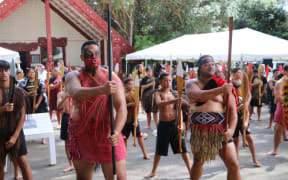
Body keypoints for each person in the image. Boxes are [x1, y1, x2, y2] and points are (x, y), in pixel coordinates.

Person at [65, 40, 127, 180]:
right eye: (89, 54)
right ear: (82, 57)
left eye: (96, 54)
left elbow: (121, 107)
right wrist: (102, 90)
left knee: (119, 177)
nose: (93, 57)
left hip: (108, 132)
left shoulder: (112, 78)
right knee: (83, 177)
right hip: (82, 134)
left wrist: (117, 131)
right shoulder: (73, 76)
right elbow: (75, 92)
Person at [185, 55, 240, 180]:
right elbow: (197, 96)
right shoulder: (191, 83)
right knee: (198, 162)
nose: (210, 66)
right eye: (206, 64)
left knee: (233, 164)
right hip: (201, 130)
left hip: (221, 129)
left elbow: (232, 111)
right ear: (199, 67)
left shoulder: (223, 85)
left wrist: (231, 130)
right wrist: (221, 90)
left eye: (213, 64)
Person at [144, 72, 191, 178]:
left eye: (169, 80)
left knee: (183, 149)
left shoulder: (174, 93)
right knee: (159, 150)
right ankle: (153, 171)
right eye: (165, 80)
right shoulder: (157, 93)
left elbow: (179, 110)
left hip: (175, 124)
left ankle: (191, 170)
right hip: (163, 125)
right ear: (160, 81)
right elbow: (159, 104)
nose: (168, 82)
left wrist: (181, 124)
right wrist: (175, 100)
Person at [0, 60, 32, 180]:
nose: (3, 73)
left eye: (6, 70)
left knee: (23, 162)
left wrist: (14, 137)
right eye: (0, 71)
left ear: (9, 71)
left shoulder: (18, 91)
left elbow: (22, 116)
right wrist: (2, 109)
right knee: (0, 165)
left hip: (16, 134)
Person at [232, 68, 261, 167]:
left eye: (241, 72)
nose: (240, 74)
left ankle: (255, 159)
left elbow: (249, 96)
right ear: (233, 74)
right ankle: (236, 161)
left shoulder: (244, 83)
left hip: (243, 115)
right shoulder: (230, 84)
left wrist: (245, 105)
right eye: (238, 72)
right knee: (235, 140)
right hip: (233, 116)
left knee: (250, 139)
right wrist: (237, 108)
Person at [18, 67, 49, 144]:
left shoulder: (40, 81)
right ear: (27, 74)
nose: (32, 74)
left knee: (41, 119)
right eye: (30, 72)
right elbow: (21, 93)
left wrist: (37, 104)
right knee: (29, 120)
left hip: (39, 103)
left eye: (33, 72)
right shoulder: (23, 82)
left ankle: (43, 138)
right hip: (28, 102)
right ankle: (31, 136)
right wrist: (30, 93)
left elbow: (42, 93)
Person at [123, 78, 150, 160]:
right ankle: (123, 155)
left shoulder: (135, 94)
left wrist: (135, 120)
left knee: (140, 137)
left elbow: (137, 107)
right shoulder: (122, 94)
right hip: (125, 120)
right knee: (124, 138)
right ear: (125, 85)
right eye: (129, 84)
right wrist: (130, 104)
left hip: (134, 119)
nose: (131, 86)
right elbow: (120, 107)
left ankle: (145, 154)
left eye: (132, 84)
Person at [267, 64, 288, 155]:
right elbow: (278, 98)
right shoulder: (280, 83)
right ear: (285, 71)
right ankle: (275, 149)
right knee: (278, 129)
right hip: (283, 107)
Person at [57, 76, 74, 173]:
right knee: (67, 142)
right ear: (63, 83)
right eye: (66, 82)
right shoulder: (61, 94)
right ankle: (71, 164)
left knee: (77, 140)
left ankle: (78, 163)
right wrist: (66, 97)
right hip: (66, 117)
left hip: (75, 117)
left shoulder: (75, 92)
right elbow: (58, 106)